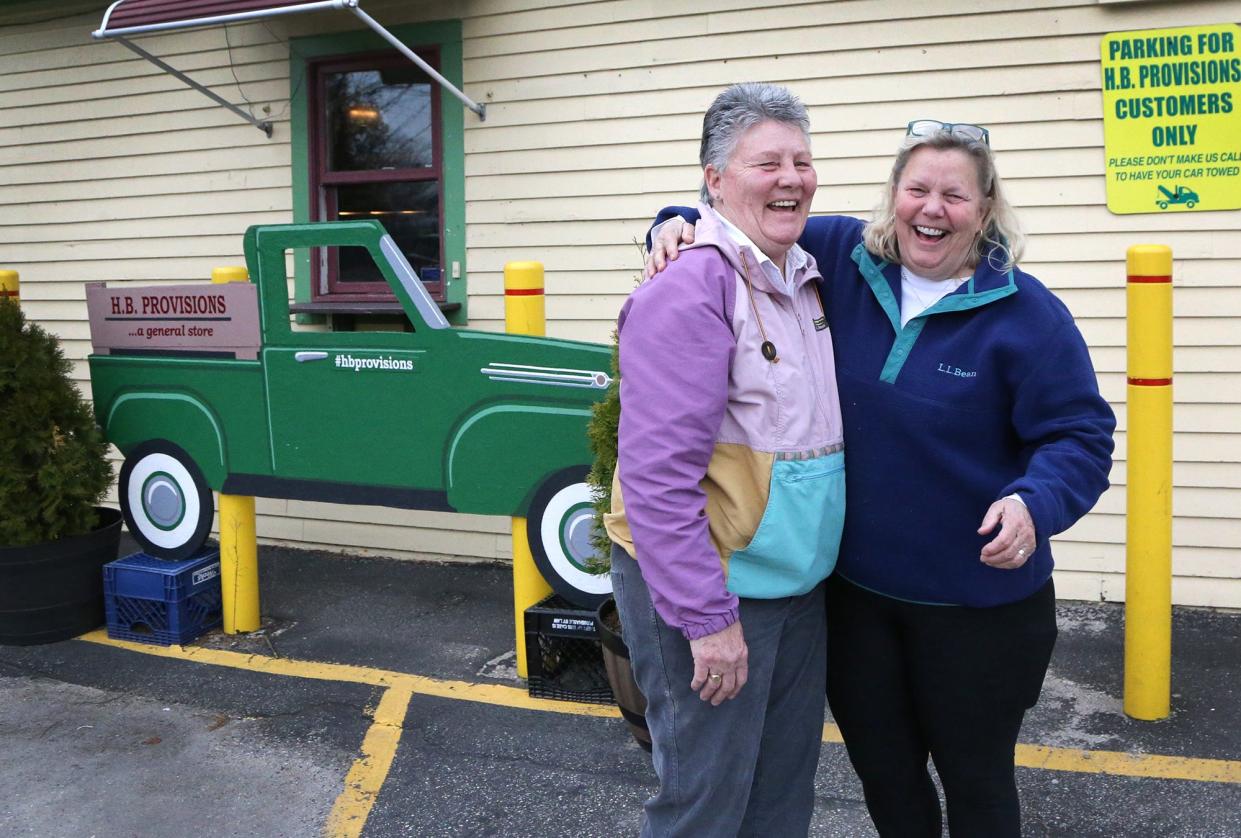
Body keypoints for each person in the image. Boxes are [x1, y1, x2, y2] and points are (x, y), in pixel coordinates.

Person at [646, 119, 1116, 837]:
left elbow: (1079, 435)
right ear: (892, 196)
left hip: (977, 608)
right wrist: (673, 221)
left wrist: (1035, 502)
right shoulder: (838, 253)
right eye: (916, 189)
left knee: (977, 782)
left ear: (985, 209)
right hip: (858, 602)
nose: (931, 209)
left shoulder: (1028, 316)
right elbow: (746, 214)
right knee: (887, 778)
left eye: (954, 196)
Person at [603, 82, 845, 836]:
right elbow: (655, 480)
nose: (790, 178)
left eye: (801, 161)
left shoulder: (802, 269)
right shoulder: (692, 286)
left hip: (792, 584)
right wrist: (706, 620)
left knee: (779, 795)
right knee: (704, 803)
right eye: (765, 162)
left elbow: (922, 226)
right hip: (711, 587)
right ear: (712, 180)